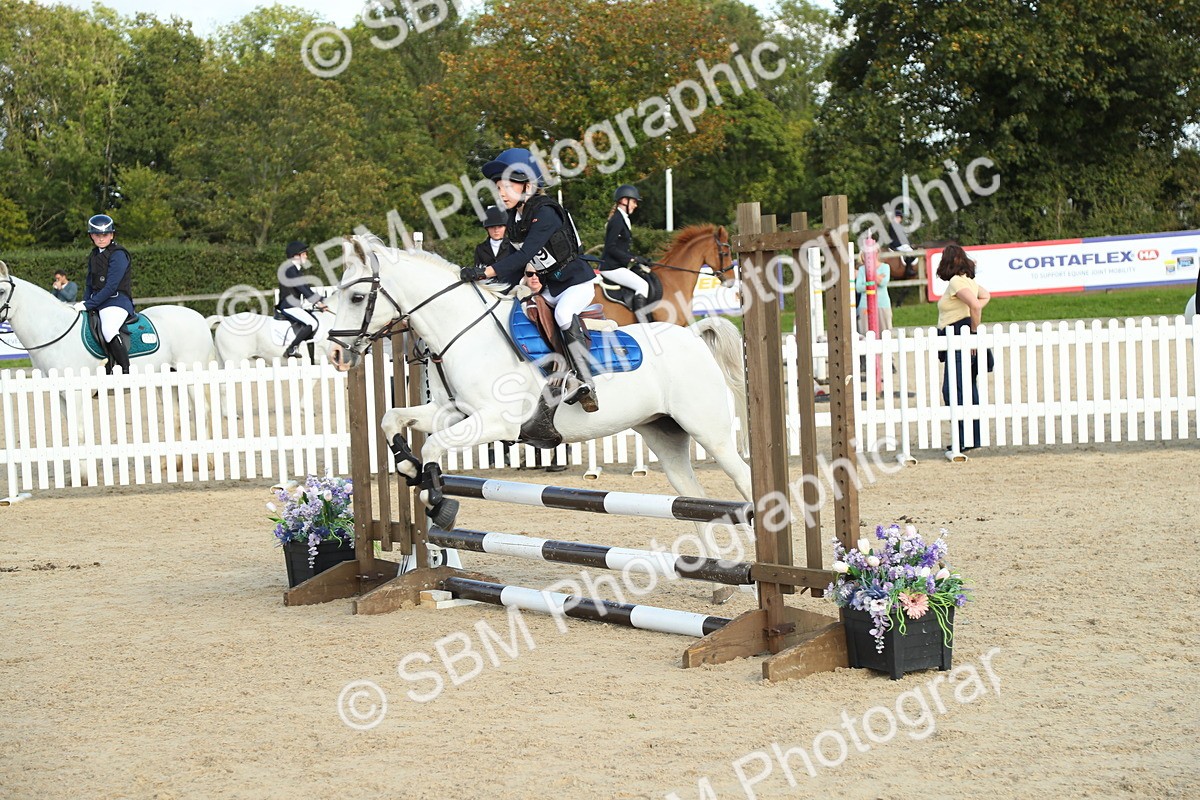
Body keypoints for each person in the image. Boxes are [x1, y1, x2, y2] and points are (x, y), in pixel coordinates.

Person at [461, 148, 599, 412]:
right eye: (498, 187)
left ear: (528, 185)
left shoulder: (546, 212)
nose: (501, 193)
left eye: (507, 186)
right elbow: (513, 268)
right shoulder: (514, 218)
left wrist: (486, 271)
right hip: (550, 287)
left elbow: (525, 254)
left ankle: (586, 382)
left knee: (564, 314)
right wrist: (484, 285)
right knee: (522, 312)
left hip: (576, 283)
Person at [936, 243, 991, 453]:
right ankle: (972, 437)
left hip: (960, 338)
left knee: (955, 390)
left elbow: (977, 305)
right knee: (968, 388)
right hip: (963, 336)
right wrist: (970, 316)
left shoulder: (957, 282)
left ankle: (963, 438)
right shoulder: (969, 281)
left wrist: (972, 331)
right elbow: (985, 297)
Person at [75, 214, 135, 373]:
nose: (101, 238)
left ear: (112, 234)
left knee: (108, 329)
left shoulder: (119, 254)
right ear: (91, 236)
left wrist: (89, 304)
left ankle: (125, 370)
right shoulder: (94, 255)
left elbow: (111, 287)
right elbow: (89, 283)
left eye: (105, 234)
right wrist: (84, 302)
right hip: (98, 301)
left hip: (117, 301)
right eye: (97, 235)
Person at [600, 184, 651, 315]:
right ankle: (642, 322)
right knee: (643, 285)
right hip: (611, 268)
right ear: (624, 201)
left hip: (618, 266)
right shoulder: (617, 220)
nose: (636, 205)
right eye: (634, 201)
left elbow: (621, 247)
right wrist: (632, 258)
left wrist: (638, 259)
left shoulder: (623, 219)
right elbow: (610, 248)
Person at [276, 241, 329, 359]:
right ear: (296, 255)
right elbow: (301, 288)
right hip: (288, 305)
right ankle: (291, 349)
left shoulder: (295, 269)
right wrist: (317, 302)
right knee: (312, 323)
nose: (306, 256)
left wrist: (321, 300)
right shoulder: (289, 269)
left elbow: (305, 288)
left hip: (294, 305)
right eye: (304, 254)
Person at [854, 254, 893, 336]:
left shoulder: (885, 267)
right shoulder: (861, 269)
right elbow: (859, 288)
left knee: (885, 332)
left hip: (882, 304)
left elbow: (883, 283)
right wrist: (874, 281)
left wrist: (871, 276)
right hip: (865, 305)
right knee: (865, 332)